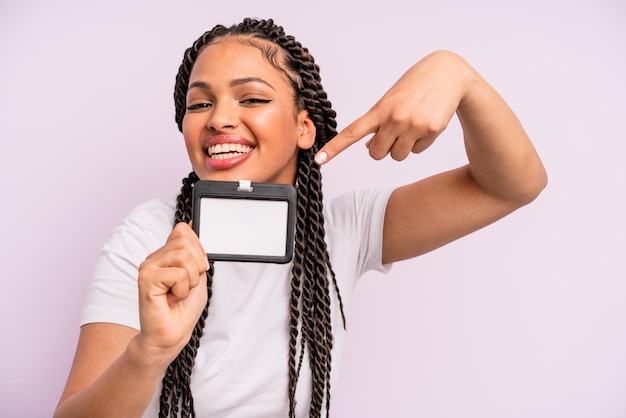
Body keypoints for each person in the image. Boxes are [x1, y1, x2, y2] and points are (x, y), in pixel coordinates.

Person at [54, 17, 547, 418]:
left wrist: (457, 74)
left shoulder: (345, 228)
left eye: (253, 98)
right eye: (199, 103)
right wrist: (151, 349)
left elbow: (512, 185)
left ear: (304, 127)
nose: (219, 118)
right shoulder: (148, 238)